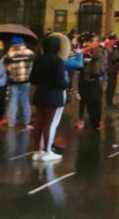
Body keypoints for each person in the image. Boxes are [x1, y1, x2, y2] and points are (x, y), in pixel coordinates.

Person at [30, 33, 82, 162]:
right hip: (53, 96)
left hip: (40, 94)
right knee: (49, 123)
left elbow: (32, 79)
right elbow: (61, 82)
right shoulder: (57, 61)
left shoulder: (38, 59)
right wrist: (65, 83)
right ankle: (48, 151)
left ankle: (37, 151)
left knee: (38, 123)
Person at [4, 36, 35, 130]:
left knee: (13, 101)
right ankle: (26, 123)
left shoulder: (9, 54)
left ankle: (11, 123)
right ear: (23, 43)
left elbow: (6, 68)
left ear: (13, 44)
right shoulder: (30, 53)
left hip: (13, 81)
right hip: (26, 81)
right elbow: (33, 66)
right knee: (25, 101)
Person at [80, 35, 106, 130]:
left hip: (96, 79)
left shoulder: (99, 50)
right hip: (89, 79)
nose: (90, 43)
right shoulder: (91, 50)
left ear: (97, 42)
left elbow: (94, 57)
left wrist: (87, 51)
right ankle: (93, 122)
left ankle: (96, 123)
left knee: (95, 102)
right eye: (90, 41)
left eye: (92, 41)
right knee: (90, 101)